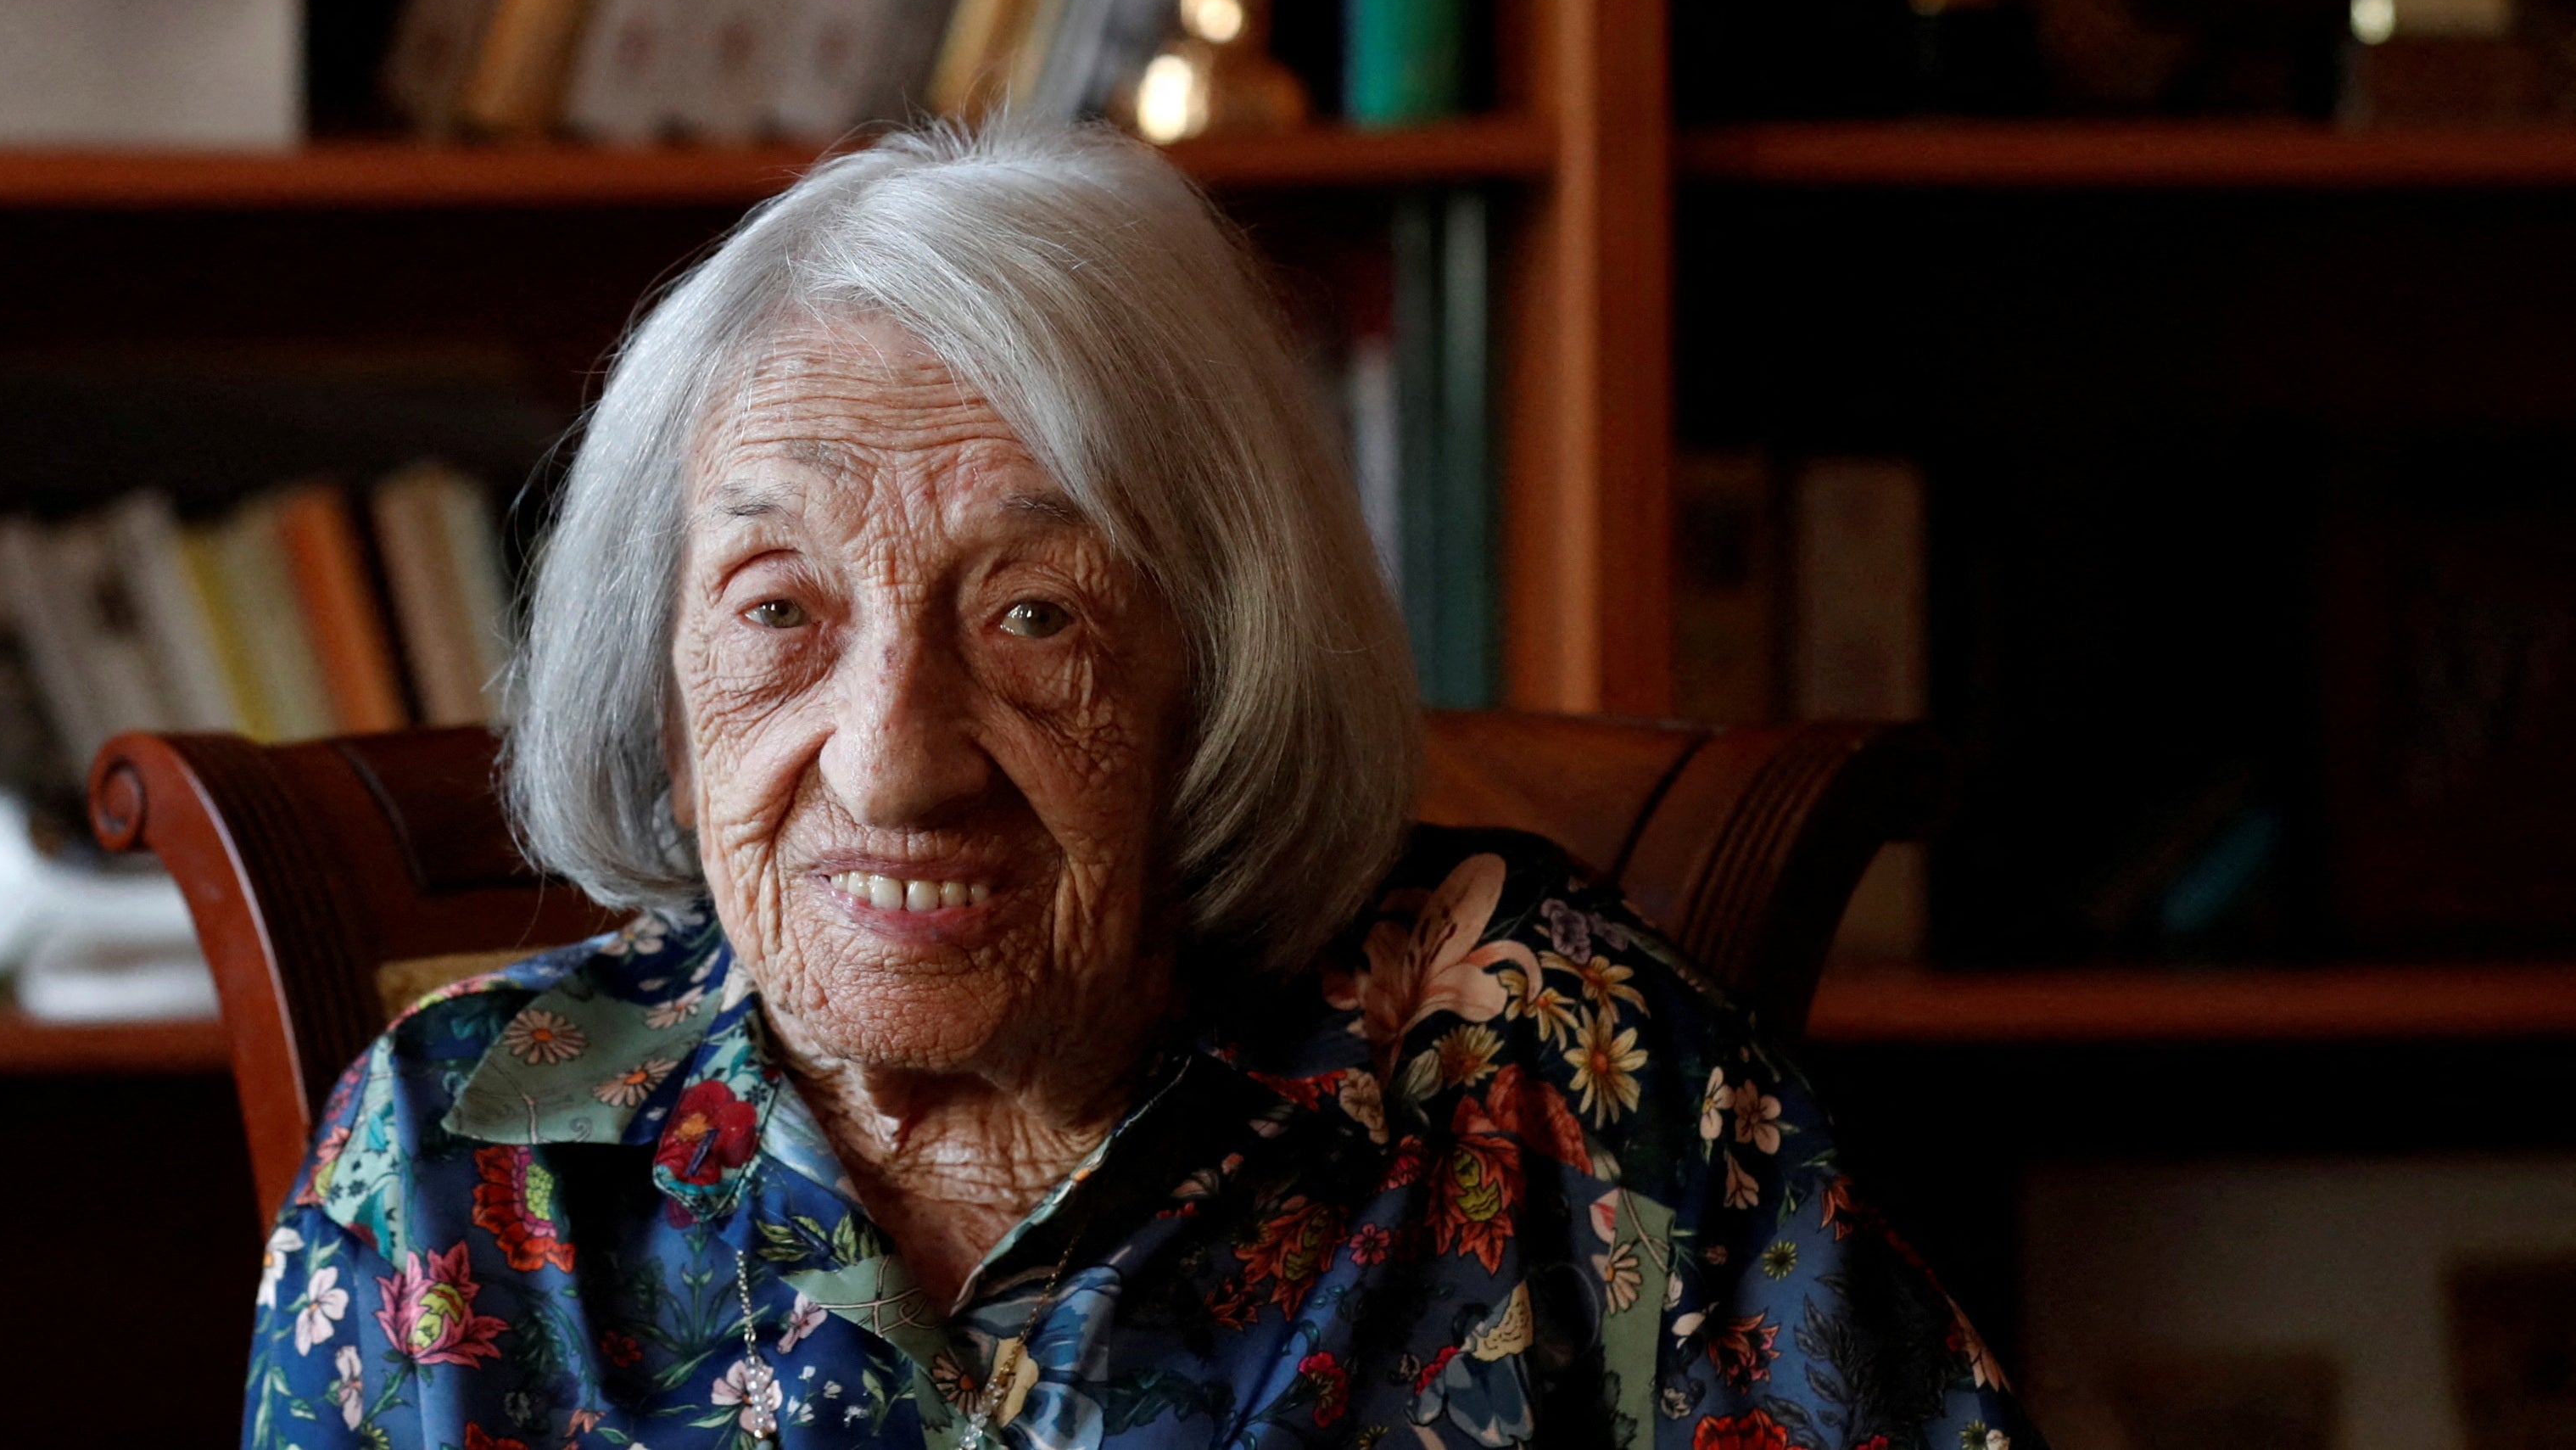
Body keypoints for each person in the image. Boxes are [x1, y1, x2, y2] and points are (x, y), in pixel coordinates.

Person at [244, 122, 2030, 1450]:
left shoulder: (1544, 1072)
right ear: (659, 675)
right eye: (779, 610)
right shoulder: (464, 1143)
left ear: (1219, 659)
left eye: (1034, 616)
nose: (893, 757)